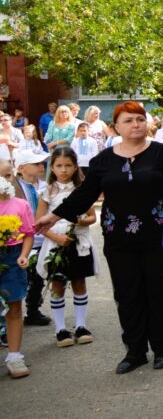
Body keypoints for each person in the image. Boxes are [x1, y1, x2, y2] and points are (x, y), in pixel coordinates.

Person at [37, 101, 163, 374]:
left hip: (160, 237)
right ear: (115, 127)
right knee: (127, 294)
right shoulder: (103, 161)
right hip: (119, 240)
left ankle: (162, 348)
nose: (135, 124)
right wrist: (54, 216)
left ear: (147, 123)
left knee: (160, 292)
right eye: (128, 120)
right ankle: (135, 350)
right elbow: (85, 195)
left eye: (140, 119)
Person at [35, 147, 97, 348]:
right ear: (52, 167)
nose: (64, 170)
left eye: (68, 165)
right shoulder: (46, 191)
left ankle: (81, 325)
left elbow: (92, 216)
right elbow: (40, 222)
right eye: (59, 166)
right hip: (56, 242)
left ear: (75, 166)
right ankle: (60, 329)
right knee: (58, 284)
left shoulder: (82, 190)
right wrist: (56, 237)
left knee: (79, 282)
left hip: (78, 240)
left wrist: (81, 221)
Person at [0, 173, 35, 378]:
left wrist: (23, 255)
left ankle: (14, 356)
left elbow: (28, 233)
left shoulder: (20, 204)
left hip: (12, 256)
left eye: (6, 175)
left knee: (14, 305)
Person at [14, 148, 50, 327]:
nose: (41, 166)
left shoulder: (45, 186)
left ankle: (33, 309)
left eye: (42, 163)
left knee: (39, 274)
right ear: (21, 168)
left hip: (44, 237)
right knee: (22, 275)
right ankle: (13, 312)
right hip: (23, 240)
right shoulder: (14, 188)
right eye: (36, 164)